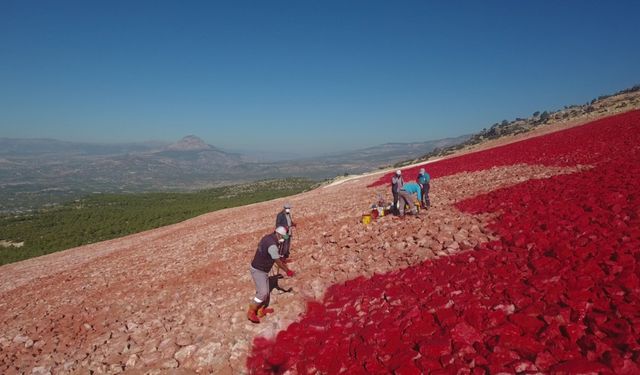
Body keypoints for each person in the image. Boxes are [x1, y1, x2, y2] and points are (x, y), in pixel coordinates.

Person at [248, 226, 295, 323]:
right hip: (258, 270)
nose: (283, 240)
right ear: (278, 234)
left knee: (266, 292)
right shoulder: (272, 246)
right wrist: (287, 271)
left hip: (263, 269)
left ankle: (260, 310)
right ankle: (251, 311)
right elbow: (278, 262)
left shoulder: (267, 237)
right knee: (263, 293)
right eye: (283, 237)